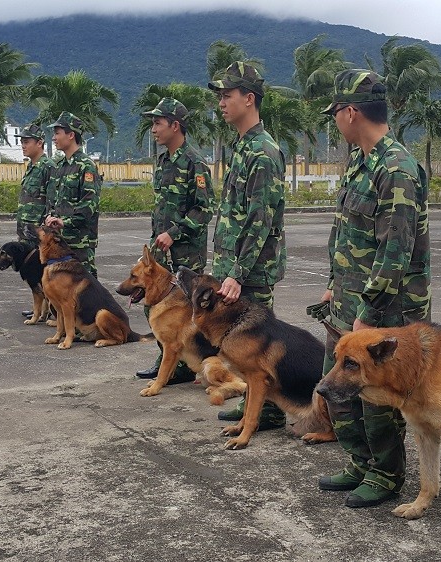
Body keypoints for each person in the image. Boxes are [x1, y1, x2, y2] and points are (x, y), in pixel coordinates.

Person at [316, 69, 431, 508]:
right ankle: (359, 463)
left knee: (377, 397)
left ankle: (385, 475)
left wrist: (368, 311)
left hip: (386, 309)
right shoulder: (361, 162)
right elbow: (347, 235)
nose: (335, 122)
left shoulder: (397, 168)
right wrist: (332, 286)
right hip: (347, 302)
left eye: (336, 114)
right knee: (337, 388)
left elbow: (395, 253)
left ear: (350, 112)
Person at [207, 61, 287, 429]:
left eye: (227, 95)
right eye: (220, 96)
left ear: (249, 98)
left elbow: (261, 219)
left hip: (251, 270)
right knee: (241, 345)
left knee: (257, 344)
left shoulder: (263, 152)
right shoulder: (242, 146)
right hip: (235, 268)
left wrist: (238, 273)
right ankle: (257, 405)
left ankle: (268, 409)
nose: (221, 103)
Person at [134, 97, 215, 382]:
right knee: (153, 305)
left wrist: (174, 233)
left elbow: (205, 208)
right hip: (162, 250)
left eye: (158, 123)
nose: (153, 129)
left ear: (175, 125)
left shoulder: (195, 162)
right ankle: (167, 356)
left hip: (186, 252)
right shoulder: (163, 160)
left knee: (184, 312)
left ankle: (183, 364)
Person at [43, 111, 101, 277]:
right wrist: (50, 218)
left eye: (57, 133)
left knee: (84, 291)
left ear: (70, 135)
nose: (54, 138)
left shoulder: (85, 166)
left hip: (79, 243)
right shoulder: (59, 166)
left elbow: (89, 204)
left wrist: (64, 222)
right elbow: (52, 201)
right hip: (58, 241)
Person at [14, 123, 55, 318]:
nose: (23, 145)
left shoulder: (47, 167)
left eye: (27, 141)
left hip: (38, 233)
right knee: (32, 273)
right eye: (22, 142)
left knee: (42, 272)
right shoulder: (32, 167)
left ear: (39, 143)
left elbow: (51, 200)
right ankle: (38, 308)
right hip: (27, 231)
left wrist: (44, 231)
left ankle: (49, 309)